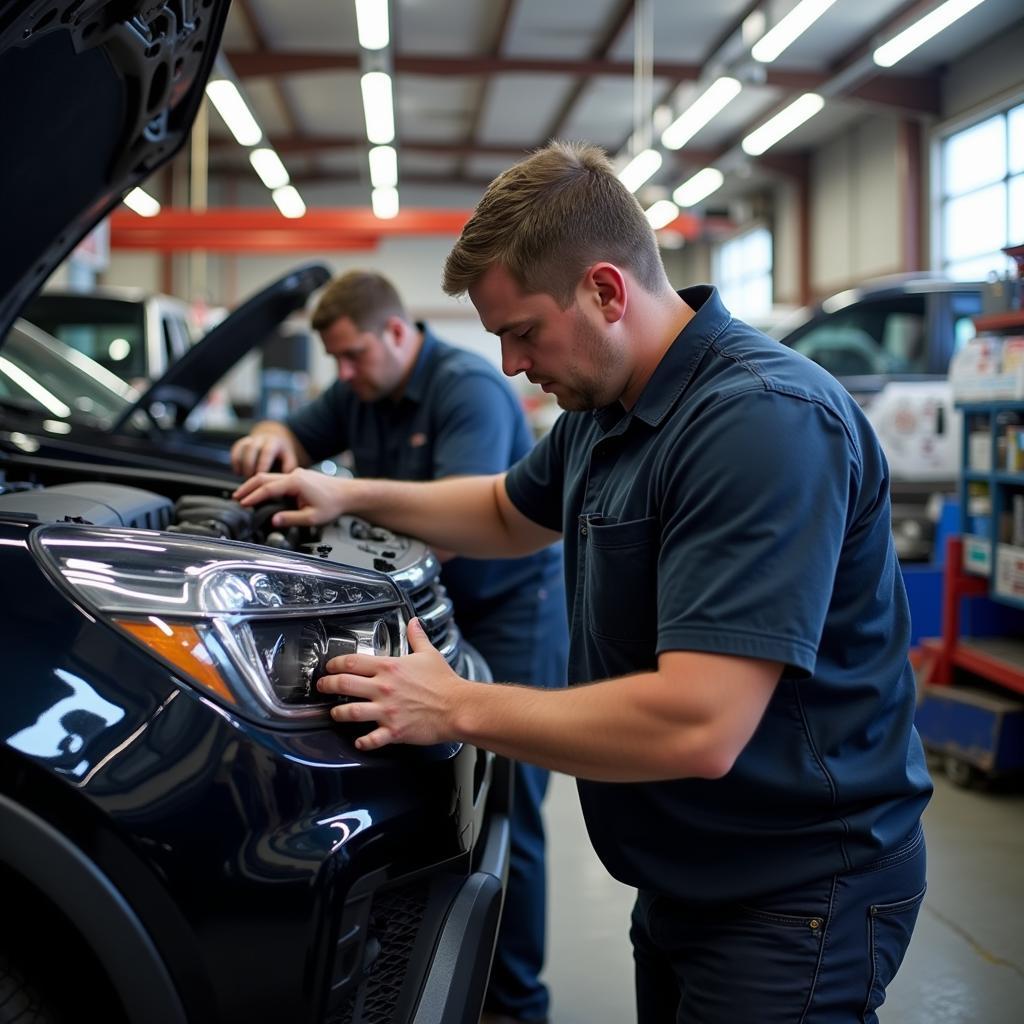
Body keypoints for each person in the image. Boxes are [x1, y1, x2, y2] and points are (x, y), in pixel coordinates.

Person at [234, 143, 933, 1024]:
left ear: (606, 290)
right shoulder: (605, 411)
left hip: (794, 896)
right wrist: (346, 492)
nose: (512, 365)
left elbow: (700, 722)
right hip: (688, 874)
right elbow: (501, 511)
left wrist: (457, 707)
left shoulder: (760, 424)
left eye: (523, 332)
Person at [232, 271, 567, 1024]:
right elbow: (301, 435)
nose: (343, 375)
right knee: (446, 796)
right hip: (431, 615)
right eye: (336, 364)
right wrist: (275, 438)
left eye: (351, 356)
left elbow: (457, 528)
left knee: (511, 800)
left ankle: (515, 1004)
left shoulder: (469, 391)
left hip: (512, 607)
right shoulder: (361, 386)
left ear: (395, 332)